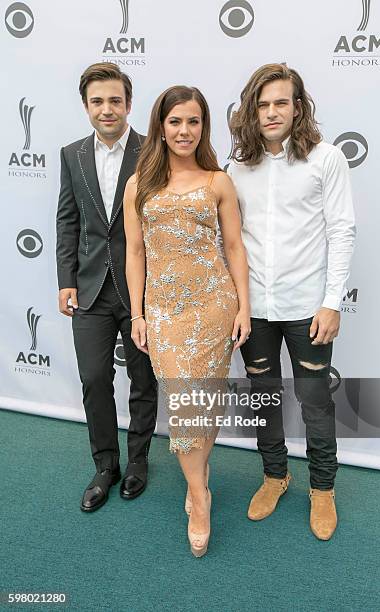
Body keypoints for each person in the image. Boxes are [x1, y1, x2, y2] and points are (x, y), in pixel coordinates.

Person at [228, 63, 356, 540]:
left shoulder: (327, 159)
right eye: (262, 105)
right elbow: (231, 241)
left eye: (281, 102)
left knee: (315, 402)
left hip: (308, 309)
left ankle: (322, 488)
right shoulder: (237, 168)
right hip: (255, 309)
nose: (271, 112)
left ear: (298, 107)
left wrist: (331, 302)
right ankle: (274, 476)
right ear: (251, 112)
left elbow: (342, 231)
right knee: (264, 399)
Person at [123, 85, 250, 556]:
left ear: (204, 127)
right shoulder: (139, 185)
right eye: (175, 121)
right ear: (160, 125)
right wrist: (137, 313)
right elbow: (135, 253)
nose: (184, 130)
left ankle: (199, 476)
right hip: (166, 313)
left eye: (193, 121)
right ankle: (199, 497)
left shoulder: (218, 181)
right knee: (184, 409)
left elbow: (235, 248)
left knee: (207, 402)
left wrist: (243, 306)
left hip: (214, 307)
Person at [56, 63, 157, 513]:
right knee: (95, 379)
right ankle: (105, 465)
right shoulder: (71, 154)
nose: (107, 109)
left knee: (143, 380)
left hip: (144, 291)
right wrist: (65, 281)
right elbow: (67, 221)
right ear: (86, 107)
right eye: (97, 101)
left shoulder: (153, 151)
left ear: (128, 104)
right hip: (90, 290)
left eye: (115, 100)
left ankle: (138, 461)